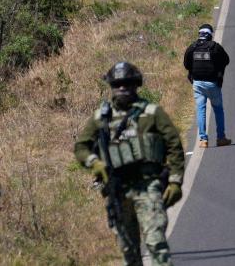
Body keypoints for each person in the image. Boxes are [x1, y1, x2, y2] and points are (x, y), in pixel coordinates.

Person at [74, 62, 185, 266]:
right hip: (117, 189)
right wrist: (95, 163)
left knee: (155, 242)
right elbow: (81, 146)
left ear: (136, 85)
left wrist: (175, 181)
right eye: (117, 84)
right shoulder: (101, 118)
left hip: (148, 186)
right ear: (111, 87)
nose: (122, 88)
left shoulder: (152, 113)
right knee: (128, 249)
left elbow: (174, 145)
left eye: (127, 84)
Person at [183, 24, 231, 148]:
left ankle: (203, 140)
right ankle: (221, 138)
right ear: (210, 35)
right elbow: (226, 60)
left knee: (201, 110)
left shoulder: (192, 47)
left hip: (198, 84)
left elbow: (186, 64)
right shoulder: (215, 47)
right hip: (212, 83)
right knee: (218, 109)